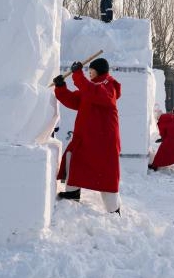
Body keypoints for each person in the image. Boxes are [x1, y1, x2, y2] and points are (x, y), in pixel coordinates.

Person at [52, 57, 123, 214]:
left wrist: (78, 75)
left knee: (106, 176)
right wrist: (61, 87)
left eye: (91, 71)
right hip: (87, 137)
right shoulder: (92, 87)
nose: (89, 73)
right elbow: (74, 100)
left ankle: (114, 209)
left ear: (98, 71)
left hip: (104, 141)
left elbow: (92, 92)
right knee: (74, 157)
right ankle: (72, 192)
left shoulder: (108, 85)